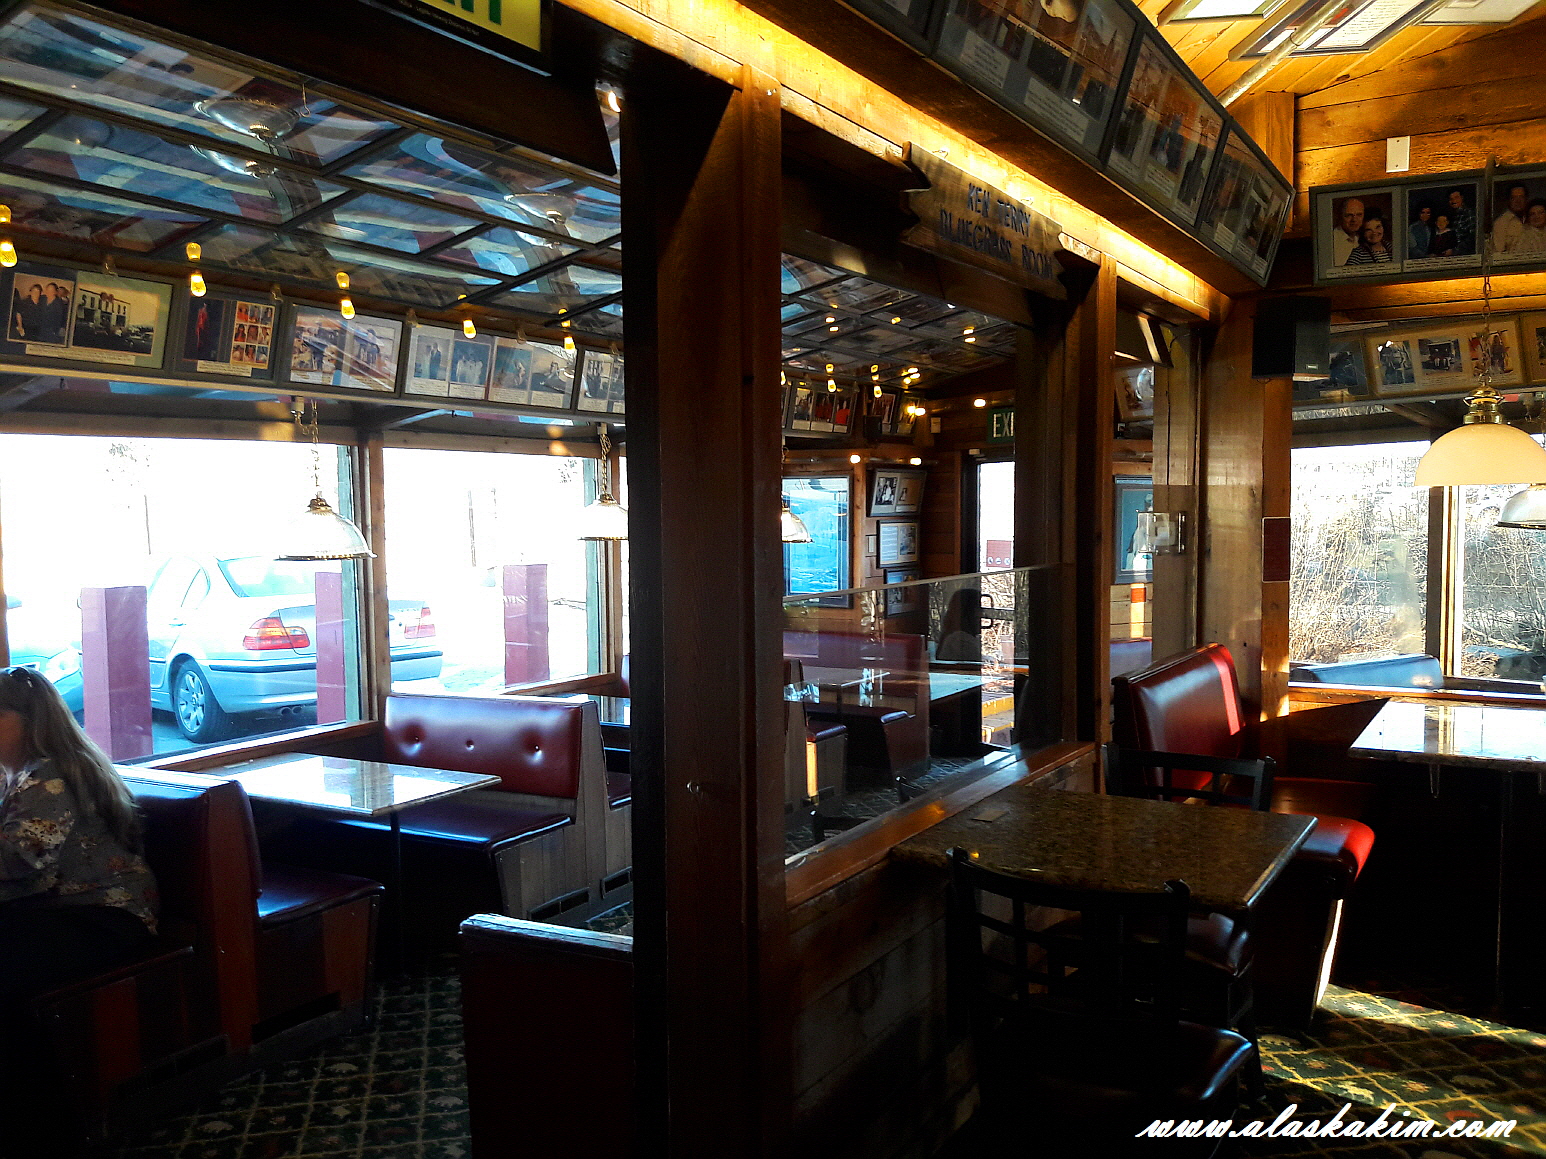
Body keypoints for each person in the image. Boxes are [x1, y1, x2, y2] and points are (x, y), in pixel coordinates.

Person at [0, 666, 158, 1155]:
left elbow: (20, 863)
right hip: (53, 909)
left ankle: (45, 1128)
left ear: (29, 721)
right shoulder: (17, 774)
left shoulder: (48, 776)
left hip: (106, 914)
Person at [1494, 182, 1530, 253]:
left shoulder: (1534, 219)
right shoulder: (1501, 223)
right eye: (1513, 198)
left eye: (1521, 197)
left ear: (1526, 199)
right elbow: (1498, 252)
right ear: (1508, 201)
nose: (1518, 201)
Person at [1332, 196, 1364, 266]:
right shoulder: (1332, 240)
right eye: (1349, 215)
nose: (1354, 220)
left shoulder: (1363, 238)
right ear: (1340, 216)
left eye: (1359, 215)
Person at [1446, 187, 1476, 255]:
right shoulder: (1452, 217)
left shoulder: (1469, 213)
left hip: (1467, 255)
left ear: (1462, 198)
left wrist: (1455, 250)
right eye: (1451, 199)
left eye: (1456, 197)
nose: (1454, 201)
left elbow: (1473, 236)